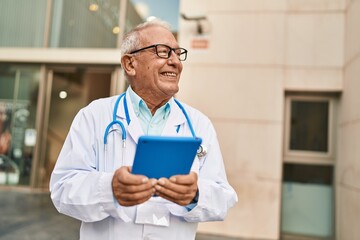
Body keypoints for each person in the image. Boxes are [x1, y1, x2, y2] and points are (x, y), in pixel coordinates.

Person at [50, 19, 237, 240]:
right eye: (164, 52)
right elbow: (62, 190)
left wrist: (195, 195)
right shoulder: (94, 116)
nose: (176, 62)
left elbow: (223, 199)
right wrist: (109, 189)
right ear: (130, 64)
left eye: (178, 53)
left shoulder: (199, 124)